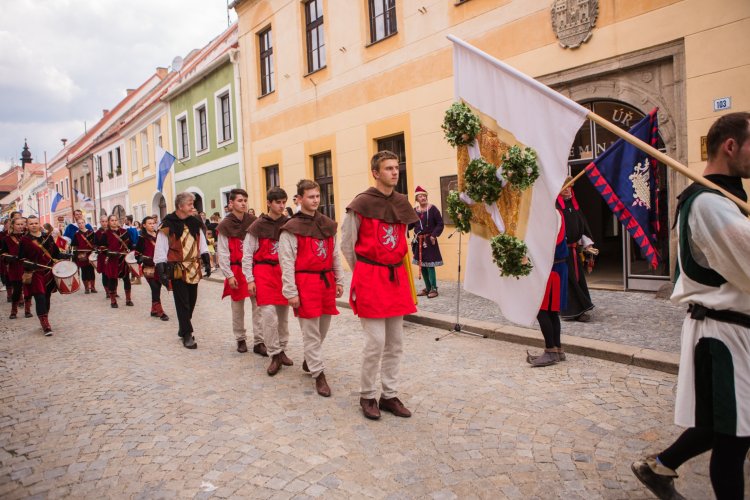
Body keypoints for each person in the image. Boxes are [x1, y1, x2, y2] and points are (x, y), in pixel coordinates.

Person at [631, 112, 750, 500]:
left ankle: (658, 465)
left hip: (732, 332)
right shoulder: (708, 205)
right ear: (730, 146)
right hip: (725, 336)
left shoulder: (721, 200)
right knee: (733, 436)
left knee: (723, 425)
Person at [342, 150, 419, 420]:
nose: (394, 172)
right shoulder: (361, 204)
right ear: (376, 173)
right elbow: (347, 244)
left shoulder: (401, 202)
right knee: (376, 342)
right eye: (388, 168)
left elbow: (402, 242)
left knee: (395, 342)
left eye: (396, 167)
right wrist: (364, 272)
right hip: (370, 278)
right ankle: (367, 395)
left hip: (395, 278)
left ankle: (389, 395)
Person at [279, 179, 344, 397]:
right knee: (311, 332)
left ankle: (310, 359)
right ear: (299, 199)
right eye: (311, 196)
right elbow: (286, 262)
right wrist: (291, 291)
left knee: (323, 327)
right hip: (305, 284)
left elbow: (335, 253)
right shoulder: (290, 228)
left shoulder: (327, 224)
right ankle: (319, 373)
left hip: (325, 282)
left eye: (318, 196)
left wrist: (340, 280)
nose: (315, 200)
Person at [154, 192, 211, 349]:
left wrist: (206, 259)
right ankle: (187, 334)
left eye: (193, 204)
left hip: (193, 267)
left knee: (191, 301)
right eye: (189, 204)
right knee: (182, 302)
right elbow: (160, 249)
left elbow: (202, 243)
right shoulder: (167, 225)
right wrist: (161, 269)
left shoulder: (195, 223)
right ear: (180, 206)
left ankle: (183, 327)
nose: (193, 207)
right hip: (177, 268)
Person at [246, 187, 292, 376]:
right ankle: (274, 353)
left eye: (284, 202)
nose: (281, 206)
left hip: (282, 273)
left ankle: (282, 349)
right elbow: (247, 254)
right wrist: (250, 279)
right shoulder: (257, 226)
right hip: (263, 272)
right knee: (269, 316)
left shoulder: (289, 224)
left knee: (283, 316)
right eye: (278, 202)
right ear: (269, 203)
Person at [216, 189, 265, 355]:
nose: (243, 203)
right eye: (239, 200)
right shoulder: (224, 225)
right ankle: (240, 338)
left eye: (245, 200)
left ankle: (259, 341)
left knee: (258, 306)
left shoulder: (253, 221)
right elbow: (222, 252)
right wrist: (228, 275)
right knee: (237, 307)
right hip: (235, 269)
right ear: (231, 204)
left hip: (253, 268)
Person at [527, 208, 568, 367]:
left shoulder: (552, 214)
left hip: (552, 269)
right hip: (553, 267)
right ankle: (557, 350)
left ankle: (551, 351)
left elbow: (548, 241)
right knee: (550, 312)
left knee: (542, 310)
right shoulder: (552, 212)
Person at [557, 180, 595, 322]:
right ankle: (572, 312)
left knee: (577, 279)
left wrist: (587, 244)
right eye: (564, 188)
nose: (567, 190)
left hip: (573, 252)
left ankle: (579, 308)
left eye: (570, 187)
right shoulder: (555, 208)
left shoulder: (574, 207)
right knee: (568, 280)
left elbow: (582, 228)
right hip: (560, 252)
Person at [18, 215, 61, 335]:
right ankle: (45, 324)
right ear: (27, 225)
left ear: (39, 224)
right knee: (40, 297)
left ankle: (45, 316)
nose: (33, 225)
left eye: (35, 223)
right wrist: (30, 265)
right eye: (31, 223)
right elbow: (21, 258)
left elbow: (56, 253)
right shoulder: (25, 240)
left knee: (47, 296)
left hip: (48, 271)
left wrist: (63, 258)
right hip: (35, 273)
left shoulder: (47, 237)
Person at [408, 186, 444, 298]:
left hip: (429, 241)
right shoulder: (415, 211)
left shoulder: (433, 209)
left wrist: (434, 235)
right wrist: (402, 222)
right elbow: (410, 225)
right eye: (420, 196)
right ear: (417, 199)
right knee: (422, 265)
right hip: (418, 241)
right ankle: (427, 288)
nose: (423, 198)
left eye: (424, 196)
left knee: (430, 265)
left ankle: (434, 288)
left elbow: (440, 223)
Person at [135, 216, 168, 321]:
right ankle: (160, 312)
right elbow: (137, 253)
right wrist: (141, 258)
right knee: (155, 288)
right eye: (149, 223)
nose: (152, 225)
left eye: (153, 223)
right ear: (144, 225)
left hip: (160, 266)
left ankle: (153, 310)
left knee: (158, 286)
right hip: (149, 268)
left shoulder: (159, 235)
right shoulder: (142, 238)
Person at [2, 217, 33, 319]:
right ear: (13, 225)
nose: (20, 226)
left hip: (26, 266)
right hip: (14, 267)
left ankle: (27, 310)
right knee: (17, 290)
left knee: (28, 289)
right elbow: (3, 254)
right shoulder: (6, 239)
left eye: (22, 224)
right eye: (18, 224)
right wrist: (10, 258)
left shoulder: (28, 237)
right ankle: (13, 310)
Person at [104, 215, 134, 308]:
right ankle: (113, 301)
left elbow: (130, 245)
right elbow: (102, 247)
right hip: (113, 260)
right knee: (112, 280)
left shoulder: (125, 232)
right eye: (112, 220)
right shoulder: (106, 233)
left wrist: (131, 254)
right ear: (109, 222)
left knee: (126, 279)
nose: (114, 222)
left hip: (123, 259)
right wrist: (109, 252)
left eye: (115, 220)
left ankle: (128, 299)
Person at [72, 219, 97, 293]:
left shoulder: (91, 233)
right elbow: (74, 246)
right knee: (84, 271)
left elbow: (95, 243)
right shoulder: (76, 234)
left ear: (85, 223)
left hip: (90, 254)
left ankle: (92, 287)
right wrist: (77, 255)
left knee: (91, 271)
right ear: (78, 224)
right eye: (79, 223)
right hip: (81, 255)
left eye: (82, 223)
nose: (81, 224)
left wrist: (94, 251)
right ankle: (86, 288)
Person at [94, 216, 109, 298]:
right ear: (100, 222)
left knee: (113, 274)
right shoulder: (97, 233)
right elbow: (95, 244)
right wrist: (98, 248)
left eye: (106, 221)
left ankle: (113, 291)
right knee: (105, 274)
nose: (104, 223)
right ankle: (107, 292)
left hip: (112, 255)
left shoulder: (112, 231)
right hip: (102, 255)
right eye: (103, 221)